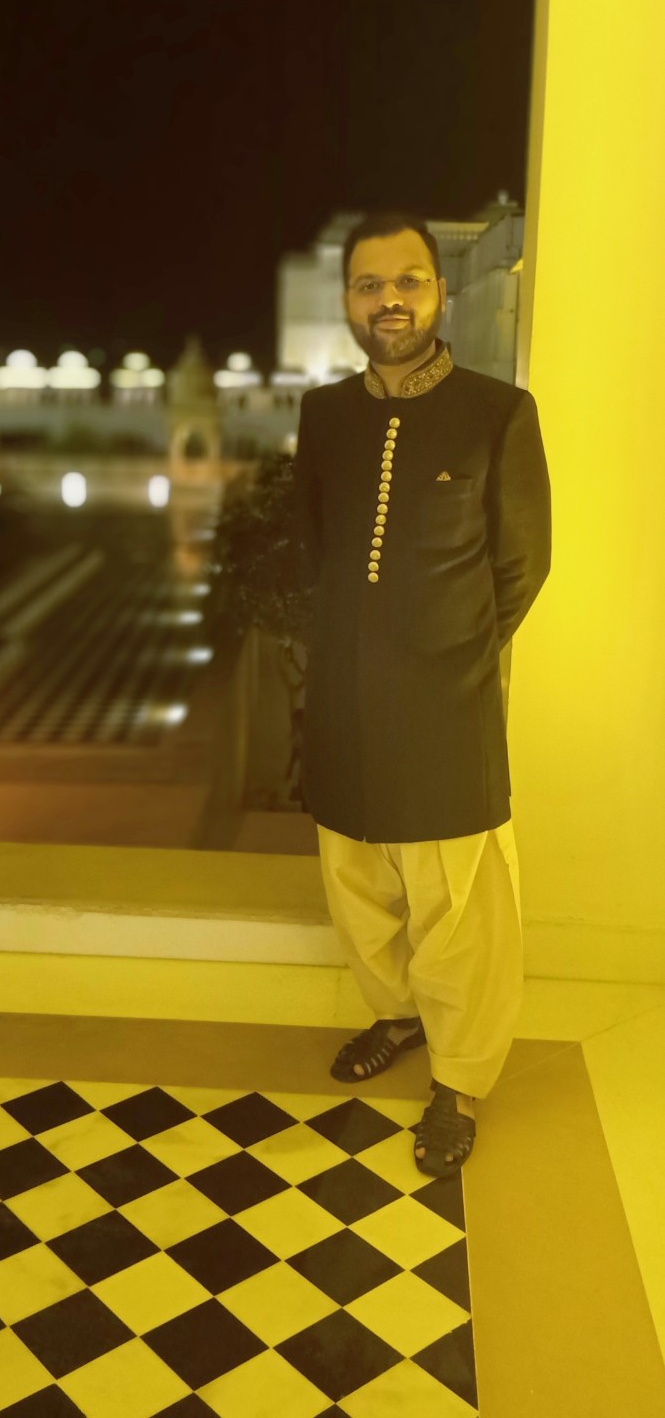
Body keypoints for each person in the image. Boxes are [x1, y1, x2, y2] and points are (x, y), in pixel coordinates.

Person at [293, 211, 551, 1177]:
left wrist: (453, 655)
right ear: (349, 301)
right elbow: (318, 545)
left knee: (458, 905)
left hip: (448, 701)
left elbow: (523, 564)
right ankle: (397, 1017)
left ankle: (461, 1077)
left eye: (408, 280)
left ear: (441, 292)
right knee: (357, 880)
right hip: (344, 691)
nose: (389, 299)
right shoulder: (324, 414)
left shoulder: (498, 412)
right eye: (370, 284)